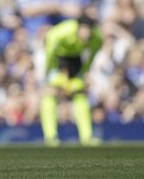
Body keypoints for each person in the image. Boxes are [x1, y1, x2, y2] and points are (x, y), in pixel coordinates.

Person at [40, 14, 103, 146]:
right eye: (83, 30)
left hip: (75, 60)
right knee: (50, 93)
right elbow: (50, 51)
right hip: (57, 59)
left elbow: (91, 56)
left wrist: (85, 72)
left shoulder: (97, 38)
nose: (86, 35)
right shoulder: (62, 32)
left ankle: (87, 137)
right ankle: (50, 137)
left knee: (80, 94)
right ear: (78, 28)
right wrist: (49, 74)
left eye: (88, 31)